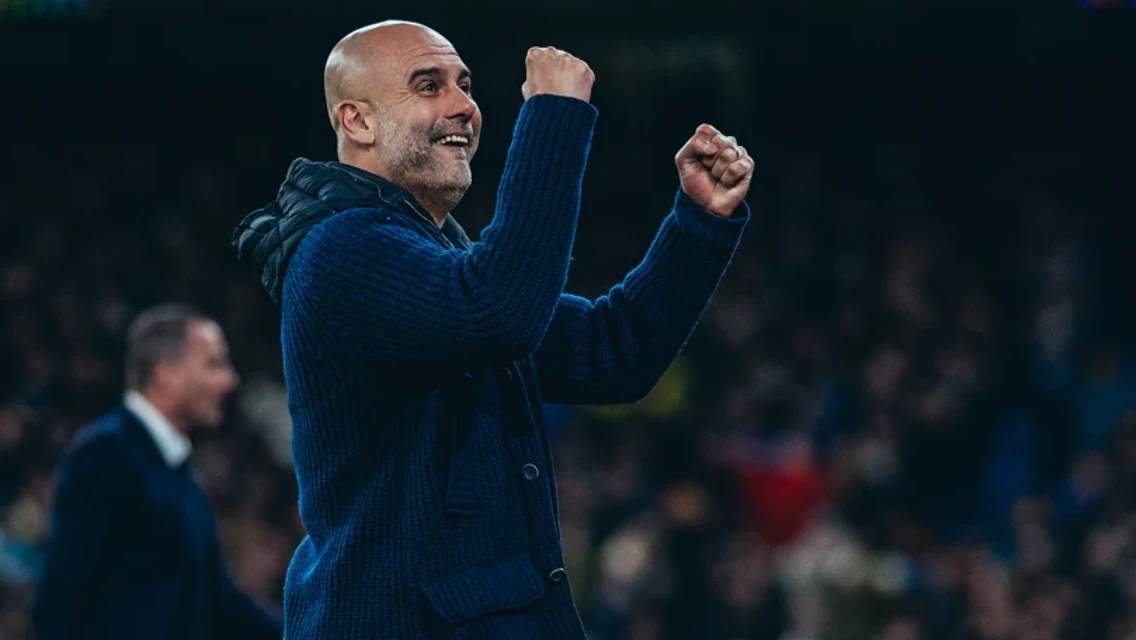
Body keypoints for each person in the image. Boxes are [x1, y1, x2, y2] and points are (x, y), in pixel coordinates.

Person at [231, 19, 753, 638]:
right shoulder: (344, 250)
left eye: (465, 84)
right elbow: (499, 311)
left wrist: (698, 222)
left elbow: (611, 353)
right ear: (357, 122)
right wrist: (555, 117)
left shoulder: (429, 257)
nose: (464, 106)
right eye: (429, 85)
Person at [33, 304, 283, 640]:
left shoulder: (180, 470)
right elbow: (63, 597)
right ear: (169, 373)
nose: (229, 380)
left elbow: (217, 599)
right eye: (214, 364)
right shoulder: (105, 454)